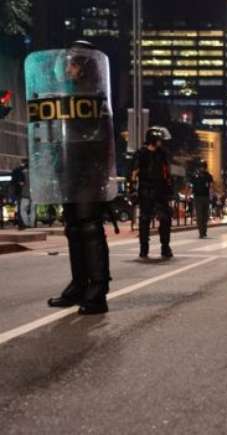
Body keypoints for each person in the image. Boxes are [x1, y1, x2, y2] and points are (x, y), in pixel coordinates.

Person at [36, 40, 114, 314]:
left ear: (83, 66)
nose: (67, 68)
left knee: (90, 228)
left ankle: (98, 291)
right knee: (73, 228)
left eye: (72, 64)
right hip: (69, 170)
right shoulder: (67, 95)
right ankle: (79, 285)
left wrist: (99, 172)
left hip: (89, 172)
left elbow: (102, 138)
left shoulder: (95, 96)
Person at [131, 126, 174, 259]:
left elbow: (167, 172)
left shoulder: (162, 153)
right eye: (159, 140)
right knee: (144, 220)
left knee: (165, 219)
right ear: (153, 139)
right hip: (146, 190)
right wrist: (132, 189)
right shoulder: (141, 153)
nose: (161, 142)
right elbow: (134, 172)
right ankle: (144, 248)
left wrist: (169, 188)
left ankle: (165, 247)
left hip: (160, 191)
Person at [191, 161, 213, 238]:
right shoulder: (195, 175)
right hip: (197, 197)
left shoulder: (208, 176)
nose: (202, 168)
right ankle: (201, 233)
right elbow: (191, 185)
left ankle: (204, 231)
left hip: (206, 197)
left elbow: (211, 186)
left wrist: (211, 196)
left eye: (203, 167)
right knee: (199, 216)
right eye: (201, 167)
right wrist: (188, 194)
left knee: (205, 216)